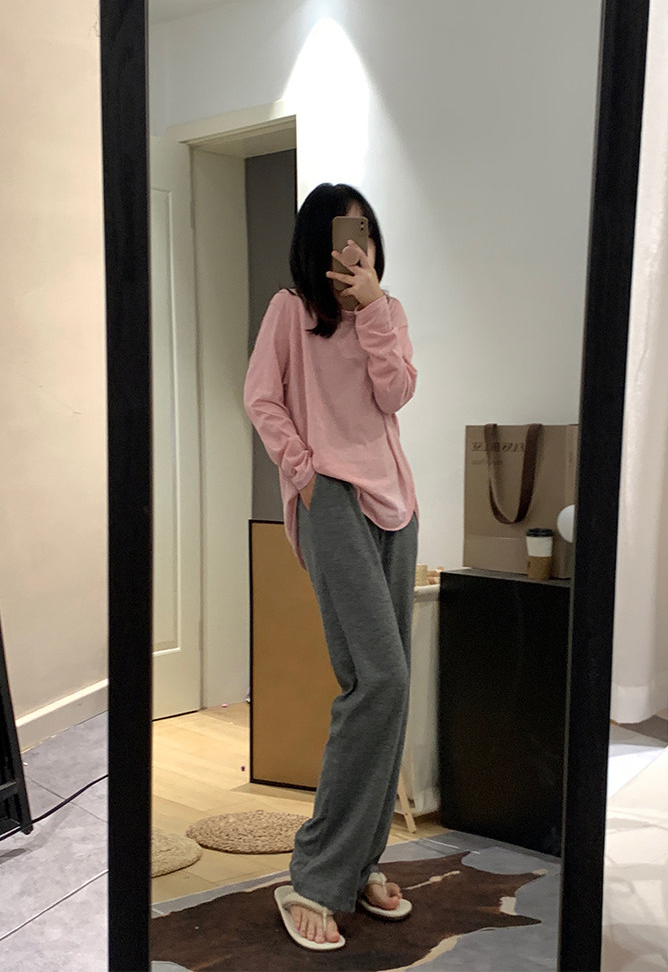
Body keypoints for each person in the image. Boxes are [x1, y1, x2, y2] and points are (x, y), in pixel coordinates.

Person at [243, 181, 420, 951]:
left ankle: (358, 863)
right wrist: (303, 472)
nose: (358, 248)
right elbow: (262, 397)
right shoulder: (290, 310)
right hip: (333, 497)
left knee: (391, 689)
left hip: (396, 503)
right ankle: (315, 873)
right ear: (318, 246)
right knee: (378, 678)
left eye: (367, 235)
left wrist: (374, 306)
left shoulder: (388, 311)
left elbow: (396, 392)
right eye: (346, 236)